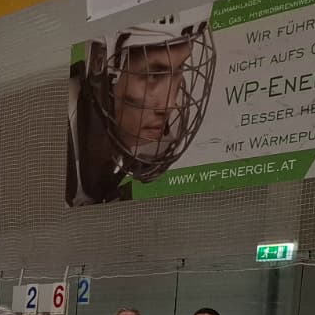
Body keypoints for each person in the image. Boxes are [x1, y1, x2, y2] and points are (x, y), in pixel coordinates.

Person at [67, 17, 215, 206]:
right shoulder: (46, 134)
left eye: (180, 68)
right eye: (153, 75)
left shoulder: (155, 134)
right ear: (100, 64)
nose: (169, 105)